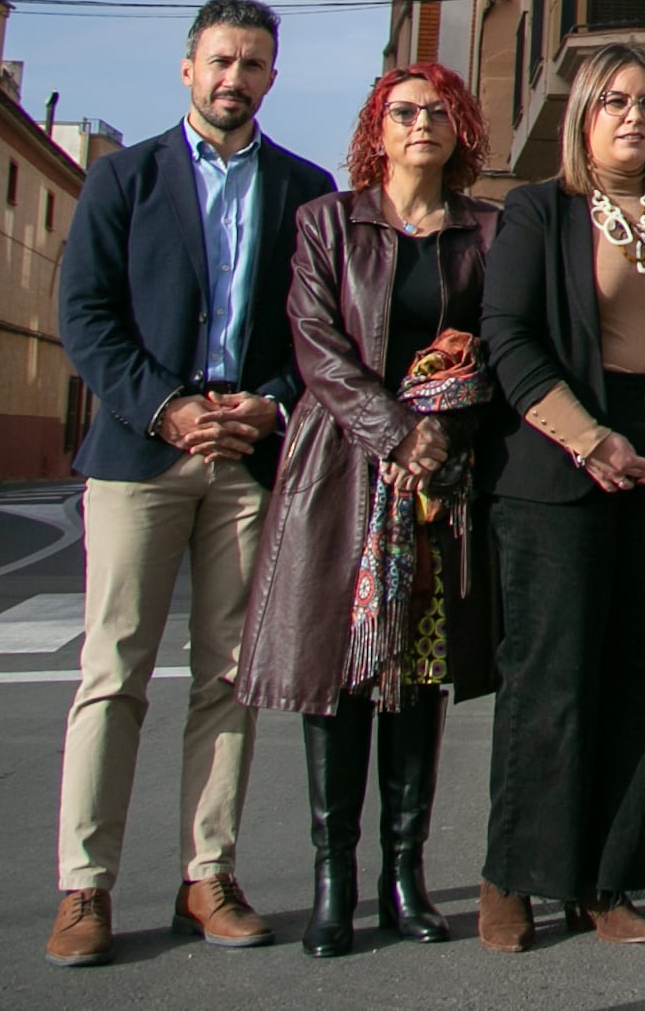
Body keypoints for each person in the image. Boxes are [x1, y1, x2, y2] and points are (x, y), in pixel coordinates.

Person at [48, 0, 336, 967]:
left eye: (253, 64)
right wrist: (165, 407)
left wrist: (268, 402)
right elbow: (86, 317)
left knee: (227, 677)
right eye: (220, 61)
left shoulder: (305, 189)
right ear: (186, 69)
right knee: (112, 672)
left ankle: (206, 875)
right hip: (142, 455)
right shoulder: (122, 180)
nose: (234, 79)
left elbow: (318, 331)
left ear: (271, 77)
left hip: (249, 461)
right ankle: (83, 887)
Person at [235, 63, 506, 956]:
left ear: (459, 128)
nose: (421, 123)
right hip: (340, 476)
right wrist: (398, 431)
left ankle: (404, 874)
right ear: (376, 131)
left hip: (441, 487)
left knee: (417, 682)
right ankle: (332, 882)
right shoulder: (327, 222)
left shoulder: (486, 232)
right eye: (404, 112)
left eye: (438, 111)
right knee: (340, 680)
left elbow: (501, 349)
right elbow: (314, 343)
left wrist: (446, 429)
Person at [476, 43, 645, 949]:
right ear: (583, 115)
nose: (635, 117)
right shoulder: (536, 213)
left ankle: (605, 881)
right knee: (551, 677)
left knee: (640, 676)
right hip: (560, 465)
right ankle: (514, 874)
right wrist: (589, 438)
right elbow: (508, 339)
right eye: (615, 101)